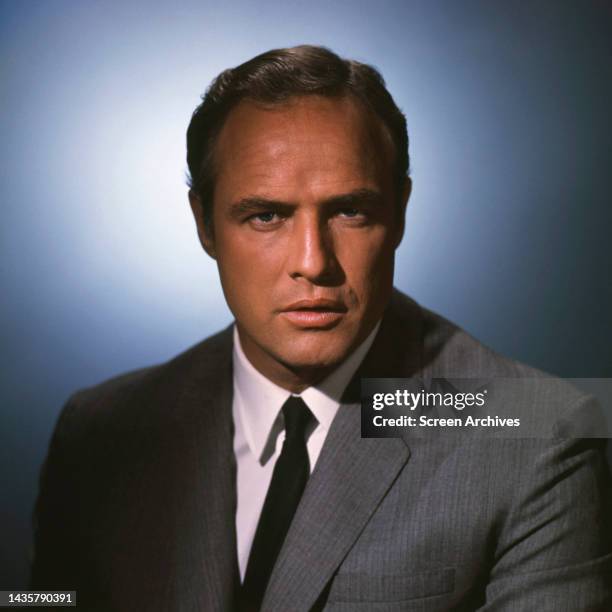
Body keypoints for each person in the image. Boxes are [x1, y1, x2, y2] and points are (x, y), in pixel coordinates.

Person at [30, 45, 612, 611]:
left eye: (349, 211)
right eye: (266, 215)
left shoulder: (541, 436)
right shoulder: (98, 431)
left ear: (400, 210)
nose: (313, 261)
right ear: (204, 223)